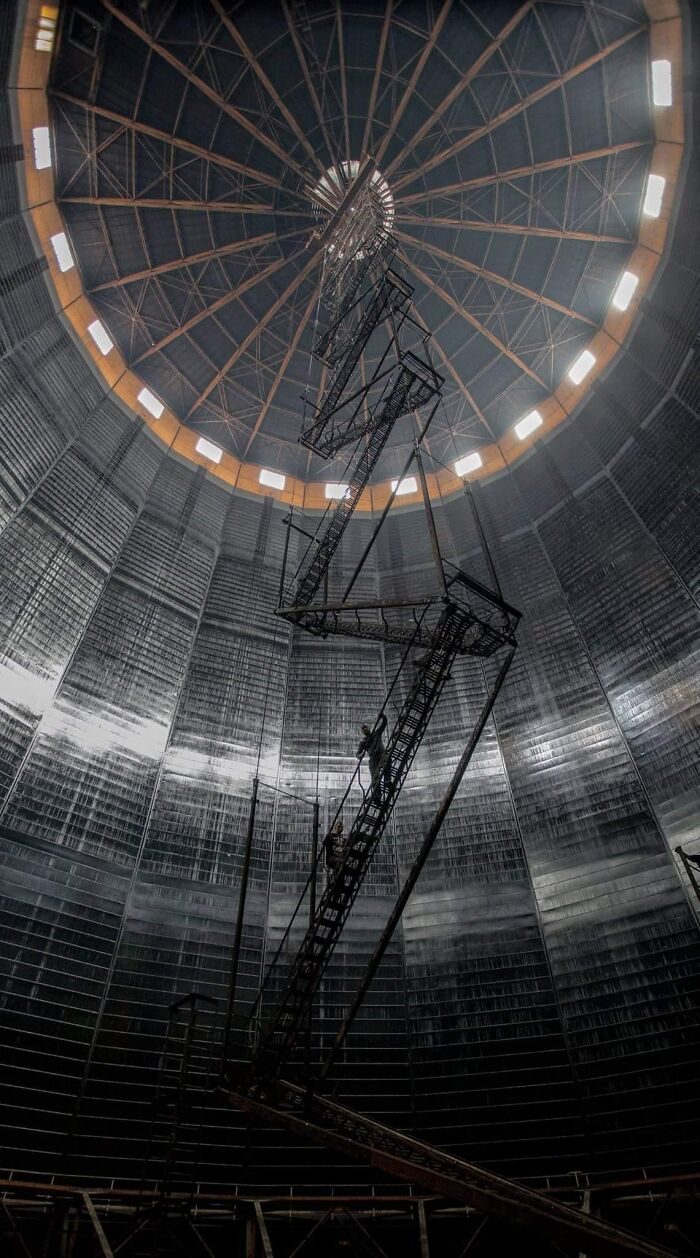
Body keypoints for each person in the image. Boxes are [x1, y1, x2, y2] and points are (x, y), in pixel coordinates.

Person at [357, 713, 390, 800]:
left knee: (387, 759)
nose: (364, 729)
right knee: (374, 776)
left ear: (369, 728)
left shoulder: (377, 733)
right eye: (363, 728)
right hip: (373, 759)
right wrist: (360, 755)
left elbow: (384, 723)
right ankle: (377, 794)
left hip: (381, 754)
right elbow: (358, 754)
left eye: (365, 727)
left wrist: (383, 716)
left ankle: (387, 780)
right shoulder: (363, 742)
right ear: (362, 732)